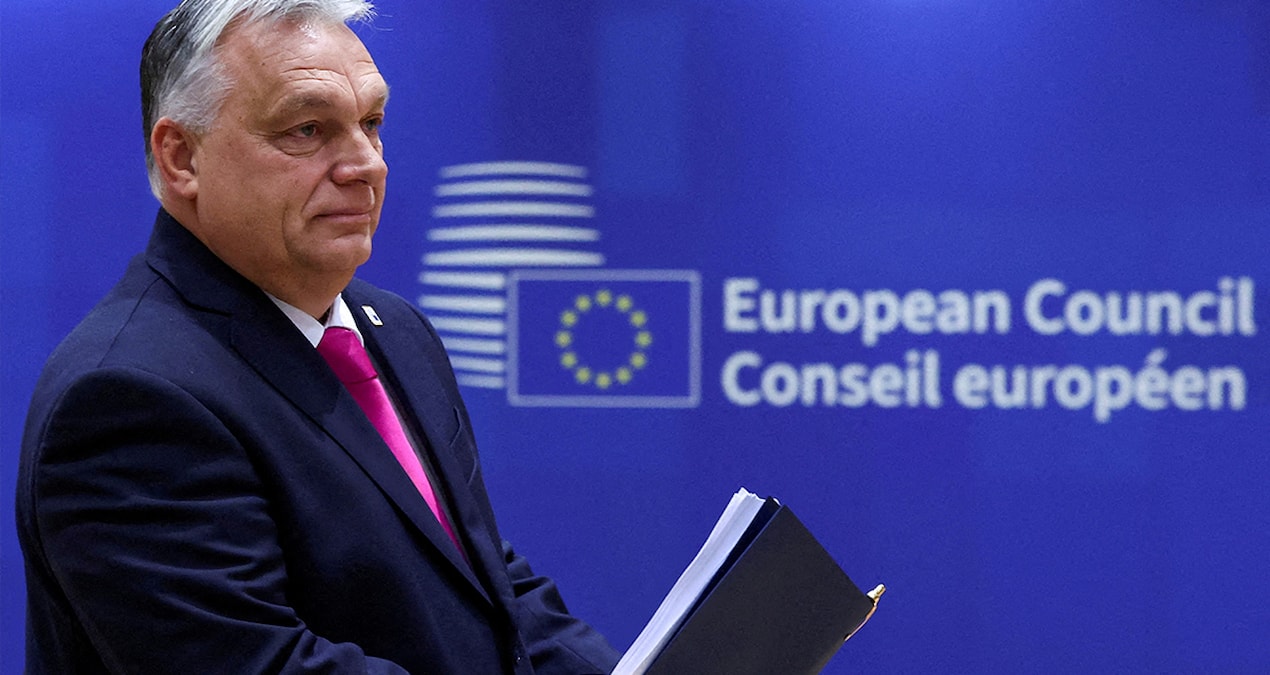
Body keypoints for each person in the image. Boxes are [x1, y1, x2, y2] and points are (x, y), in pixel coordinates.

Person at [14, 1, 621, 672]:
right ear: (182, 157)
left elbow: (486, 585)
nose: (366, 164)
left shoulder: (398, 331)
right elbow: (260, 662)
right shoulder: (128, 396)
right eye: (307, 129)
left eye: (371, 123)